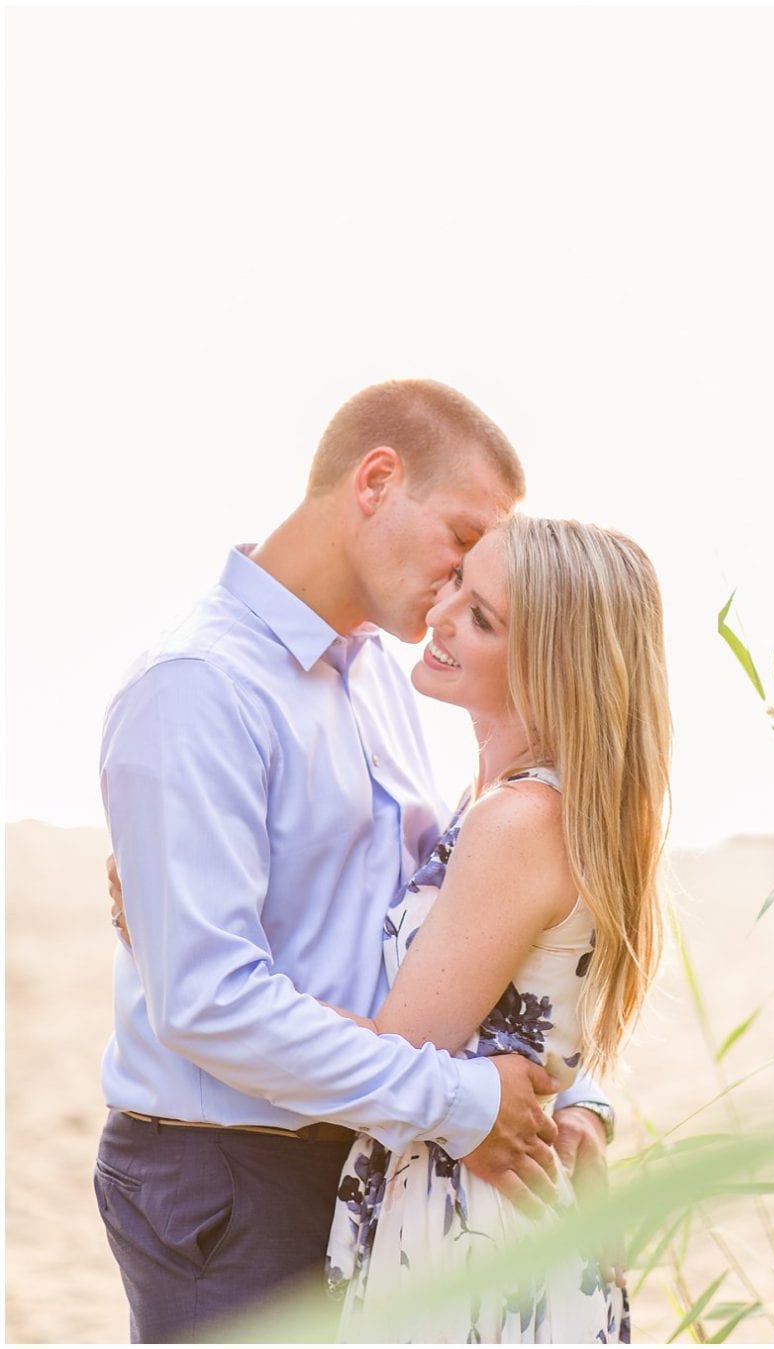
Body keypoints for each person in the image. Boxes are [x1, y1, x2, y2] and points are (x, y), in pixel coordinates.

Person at [97, 381, 616, 1342]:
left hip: (368, 1160)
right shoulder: (198, 688)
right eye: (462, 540)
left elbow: (449, 924)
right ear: (377, 481)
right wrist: (462, 1102)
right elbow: (208, 997)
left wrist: (569, 1092)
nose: (465, 582)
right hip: (235, 1172)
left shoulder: (377, 671)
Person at [325, 515, 669, 1342]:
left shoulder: (519, 822)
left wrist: (187, 946)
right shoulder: (533, 807)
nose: (440, 614)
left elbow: (390, 1056)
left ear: (550, 667)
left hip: (467, 1221)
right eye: (456, 584)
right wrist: (588, 1105)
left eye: (481, 616)